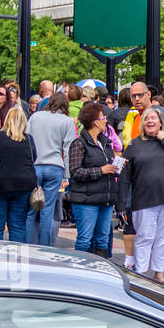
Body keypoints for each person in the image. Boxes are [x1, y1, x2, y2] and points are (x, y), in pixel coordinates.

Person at [119, 108, 164, 285]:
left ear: (161, 122)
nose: (150, 121)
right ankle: (141, 275)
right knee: (144, 238)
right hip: (143, 199)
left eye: (154, 118)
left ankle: (159, 274)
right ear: (142, 123)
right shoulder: (133, 145)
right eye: (147, 119)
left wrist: (163, 138)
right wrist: (120, 203)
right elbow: (124, 177)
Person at [66, 102, 119, 255]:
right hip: (86, 199)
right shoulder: (79, 144)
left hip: (105, 198)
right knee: (85, 239)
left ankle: (101, 272)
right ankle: (80, 272)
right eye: (103, 117)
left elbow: (107, 165)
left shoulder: (105, 143)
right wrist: (101, 170)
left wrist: (116, 166)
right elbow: (75, 172)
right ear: (95, 122)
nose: (106, 120)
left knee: (103, 239)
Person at [25, 92, 77, 246]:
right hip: (55, 167)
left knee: (31, 210)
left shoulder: (35, 117)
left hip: (35, 166)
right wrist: (67, 175)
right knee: (47, 211)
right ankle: (44, 247)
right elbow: (68, 149)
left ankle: (29, 246)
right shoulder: (67, 122)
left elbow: (27, 141)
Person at [0, 106, 38, 243]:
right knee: (18, 225)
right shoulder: (28, 140)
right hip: (23, 186)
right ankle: (17, 257)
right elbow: (34, 158)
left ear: (6, 120)